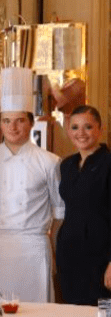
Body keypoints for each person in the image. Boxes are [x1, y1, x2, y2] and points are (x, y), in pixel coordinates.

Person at [0, 67, 64, 302]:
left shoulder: (50, 162)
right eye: (7, 121)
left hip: (33, 248)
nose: (13, 127)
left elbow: (59, 213)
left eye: (19, 121)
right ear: (0, 124)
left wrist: (54, 253)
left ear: (31, 122)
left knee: (35, 315)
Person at [58, 105, 111, 305]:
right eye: (74, 127)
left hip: (100, 255)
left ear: (100, 129)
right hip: (70, 251)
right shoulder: (67, 165)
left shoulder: (108, 163)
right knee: (73, 313)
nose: (81, 133)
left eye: (88, 127)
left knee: (102, 314)